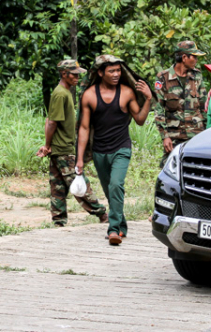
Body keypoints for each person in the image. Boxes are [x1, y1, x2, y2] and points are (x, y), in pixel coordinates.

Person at [76, 55, 152, 246]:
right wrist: (80, 159)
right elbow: (84, 128)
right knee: (111, 193)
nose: (116, 74)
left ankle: (114, 229)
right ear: (101, 73)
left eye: (119, 70)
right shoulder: (89, 95)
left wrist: (149, 98)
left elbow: (140, 120)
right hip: (100, 151)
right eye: (112, 71)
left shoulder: (126, 92)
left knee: (116, 185)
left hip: (121, 148)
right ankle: (122, 226)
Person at [36, 59, 108, 227]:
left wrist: (49, 145)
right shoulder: (61, 93)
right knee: (78, 184)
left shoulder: (66, 92)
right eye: (74, 74)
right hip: (63, 149)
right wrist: (47, 145)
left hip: (60, 147)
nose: (77, 77)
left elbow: (52, 120)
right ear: (64, 74)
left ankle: (59, 221)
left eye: (77, 74)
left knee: (57, 186)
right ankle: (102, 214)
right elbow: (52, 122)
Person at [153, 41, 207, 167]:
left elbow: (204, 105)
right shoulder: (163, 78)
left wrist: (206, 132)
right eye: (194, 56)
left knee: (197, 168)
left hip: (196, 134)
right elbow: (158, 109)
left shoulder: (197, 75)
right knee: (169, 168)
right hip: (174, 135)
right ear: (184, 58)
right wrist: (165, 136)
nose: (196, 60)